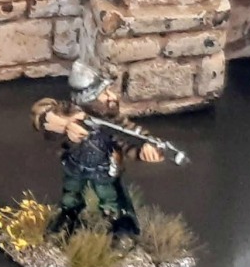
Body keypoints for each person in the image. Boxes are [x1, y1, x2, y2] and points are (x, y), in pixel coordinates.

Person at [32, 61, 164, 240]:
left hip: (103, 170)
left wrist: (145, 150)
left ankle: (120, 231)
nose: (112, 97)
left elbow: (131, 137)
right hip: (74, 166)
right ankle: (67, 221)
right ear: (88, 98)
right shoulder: (70, 111)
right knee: (70, 198)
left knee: (111, 201)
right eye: (104, 93)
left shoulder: (113, 121)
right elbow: (41, 112)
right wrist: (66, 125)